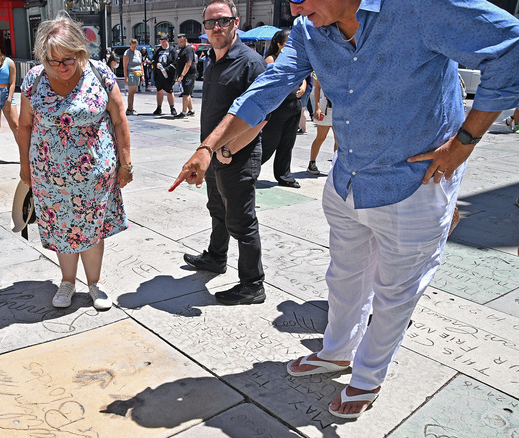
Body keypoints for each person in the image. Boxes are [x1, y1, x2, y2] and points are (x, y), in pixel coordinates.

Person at [173, 0, 519, 419]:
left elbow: (510, 45)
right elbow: (270, 87)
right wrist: (209, 146)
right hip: (348, 178)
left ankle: (368, 376)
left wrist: (464, 141)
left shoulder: (418, 7)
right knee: (344, 276)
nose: (293, 6)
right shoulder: (309, 26)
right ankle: (336, 351)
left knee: (395, 293)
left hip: (413, 182)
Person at [18, 11, 132, 311]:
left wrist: (125, 163)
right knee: (61, 227)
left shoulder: (100, 74)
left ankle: (95, 283)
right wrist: (24, 167)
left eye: (68, 59)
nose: (61, 67)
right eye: (53, 61)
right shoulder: (34, 79)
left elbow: (120, 120)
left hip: (96, 174)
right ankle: (67, 281)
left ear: (80, 51)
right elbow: (25, 125)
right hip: (49, 175)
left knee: (92, 227)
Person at [182, 0, 267, 305]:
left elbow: (260, 117)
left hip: (237, 155)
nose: (216, 28)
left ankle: (253, 284)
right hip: (212, 154)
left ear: (236, 22)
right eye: (210, 23)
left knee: (242, 220)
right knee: (217, 208)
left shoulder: (250, 62)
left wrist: (229, 149)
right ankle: (216, 258)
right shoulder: (212, 61)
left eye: (223, 21)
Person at [259, 29, 306, 188]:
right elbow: (275, 81)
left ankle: (284, 175)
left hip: (294, 105)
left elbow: (303, 76)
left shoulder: (296, 58)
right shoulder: (271, 60)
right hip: (277, 107)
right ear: (279, 45)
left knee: (288, 143)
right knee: (269, 143)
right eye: (287, 44)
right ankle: (246, 170)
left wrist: (304, 85)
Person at [307, 72, 337, 176]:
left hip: (339, 109)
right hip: (325, 107)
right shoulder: (325, 70)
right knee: (321, 137)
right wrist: (317, 107)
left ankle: (335, 165)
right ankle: (312, 162)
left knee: (339, 140)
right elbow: (317, 88)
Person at [151, 35, 177, 116]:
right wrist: (156, 64)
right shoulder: (158, 50)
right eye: (161, 41)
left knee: (169, 91)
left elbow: (175, 61)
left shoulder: (172, 50)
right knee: (159, 91)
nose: (162, 42)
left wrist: (167, 69)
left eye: (164, 41)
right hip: (159, 75)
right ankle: (159, 108)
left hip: (168, 75)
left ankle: (172, 108)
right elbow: (153, 60)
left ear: (167, 40)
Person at [174, 34, 197, 118]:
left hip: (189, 75)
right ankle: (191, 110)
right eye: (179, 42)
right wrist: (178, 75)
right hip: (183, 75)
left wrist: (182, 75)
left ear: (185, 40)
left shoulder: (188, 49)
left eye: (181, 41)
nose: (180, 43)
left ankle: (184, 112)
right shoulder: (182, 49)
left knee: (185, 94)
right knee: (187, 93)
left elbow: (188, 63)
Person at [123, 39, 143, 115]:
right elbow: (125, 66)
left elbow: (141, 64)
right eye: (132, 46)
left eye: (135, 46)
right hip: (131, 73)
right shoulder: (127, 53)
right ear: (130, 45)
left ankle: (131, 108)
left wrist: (143, 75)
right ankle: (130, 108)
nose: (134, 48)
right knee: (131, 92)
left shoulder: (138, 53)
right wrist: (126, 77)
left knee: (133, 92)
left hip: (138, 73)